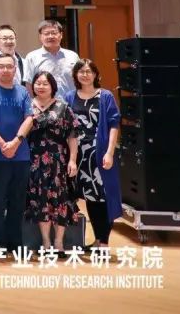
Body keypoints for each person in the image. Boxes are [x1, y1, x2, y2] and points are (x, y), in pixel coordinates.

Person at [64, 60, 122, 249]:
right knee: (90, 196)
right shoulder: (70, 96)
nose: (85, 74)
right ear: (75, 75)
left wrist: (110, 152)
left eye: (89, 71)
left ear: (96, 74)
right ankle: (97, 239)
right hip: (78, 155)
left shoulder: (105, 96)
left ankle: (104, 242)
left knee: (104, 197)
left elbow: (114, 125)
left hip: (100, 153)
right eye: (81, 71)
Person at [0, 53, 34, 254]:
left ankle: (15, 242)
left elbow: (29, 118)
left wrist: (16, 142)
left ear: (15, 69)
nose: (5, 70)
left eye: (9, 66)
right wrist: (2, 143)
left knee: (17, 201)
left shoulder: (22, 92)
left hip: (21, 155)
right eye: (1, 66)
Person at [26, 70, 80, 252]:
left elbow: (72, 135)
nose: (41, 86)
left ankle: (59, 242)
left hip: (58, 161)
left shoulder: (62, 107)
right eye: (38, 83)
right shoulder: (27, 106)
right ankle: (45, 241)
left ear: (52, 86)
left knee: (59, 200)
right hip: (34, 160)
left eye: (45, 83)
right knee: (40, 200)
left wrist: (72, 160)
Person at [23, 20, 80, 97]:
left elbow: (80, 80)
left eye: (54, 33)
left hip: (70, 102)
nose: (50, 36)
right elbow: (29, 84)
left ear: (61, 35)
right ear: (40, 37)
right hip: (44, 102)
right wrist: (34, 102)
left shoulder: (73, 56)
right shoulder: (32, 57)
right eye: (46, 33)